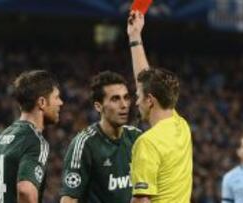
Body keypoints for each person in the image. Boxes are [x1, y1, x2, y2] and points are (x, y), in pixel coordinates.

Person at [0, 70, 64, 203]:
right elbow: (25, 190)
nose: (61, 103)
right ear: (42, 102)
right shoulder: (35, 140)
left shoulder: (1, 139)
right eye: (56, 97)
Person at [127, 11, 193, 203]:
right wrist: (135, 37)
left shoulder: (147, 143)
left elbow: (141, 201)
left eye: (138, 97)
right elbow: (146, 81)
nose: (136, 102)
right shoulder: (181, 126)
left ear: (150, 100)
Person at [59, 71, 142, 203]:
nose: (124, 105)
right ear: (98, 106)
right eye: (115, 99)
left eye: (126, 97)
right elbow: (69, 200)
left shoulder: (137, 138)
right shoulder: (85, 143)